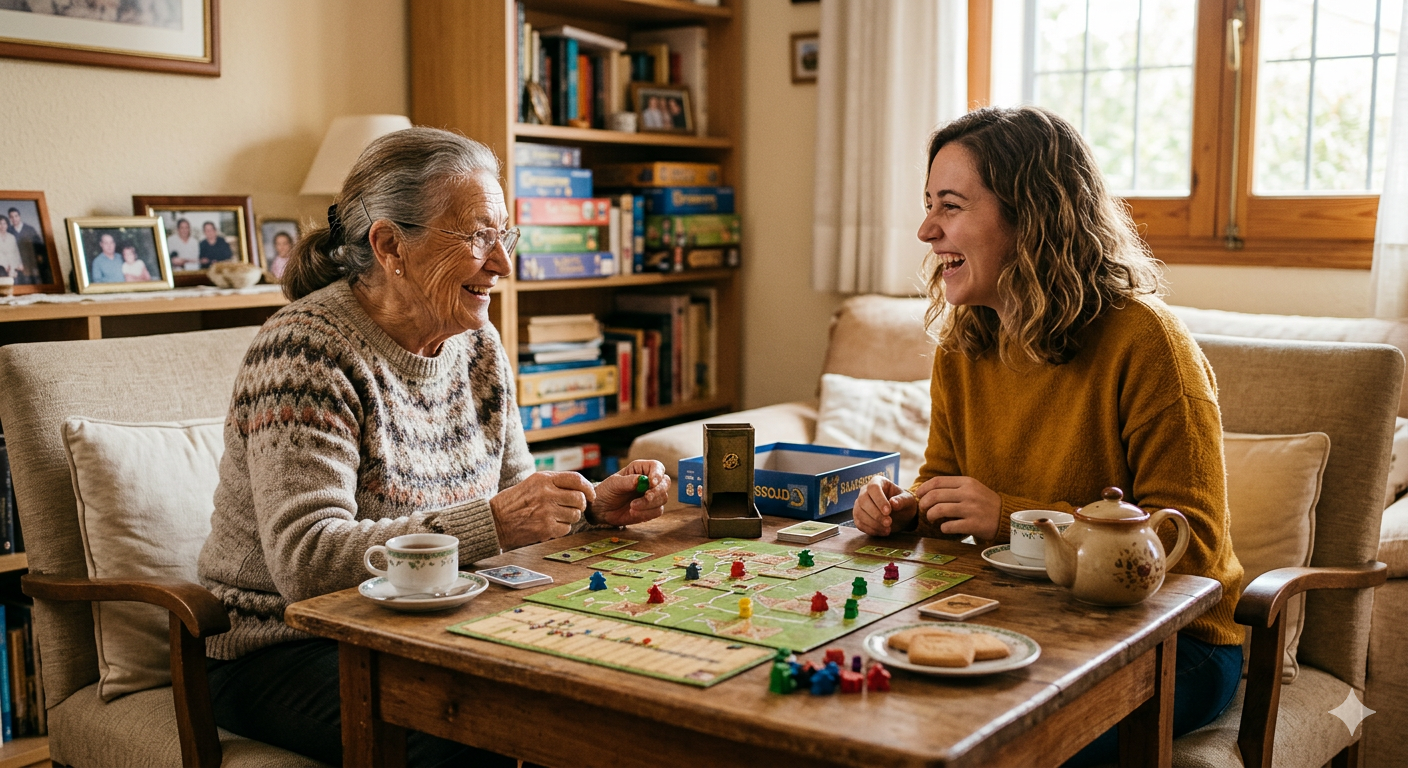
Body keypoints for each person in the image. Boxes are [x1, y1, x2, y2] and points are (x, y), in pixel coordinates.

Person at [196, 126, 670, 767]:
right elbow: (306, 561)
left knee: (611, 681)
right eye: (477, 237)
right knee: (483, 731)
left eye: (504, 236)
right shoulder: (305, 351)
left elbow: (517, 499)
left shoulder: (477, 346)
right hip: (280, 647)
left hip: (430, 624)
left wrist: (588, 508)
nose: (502, 264)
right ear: (390, 245)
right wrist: (497, 522)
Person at [851, 106, 1244, 766]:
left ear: (1031, 215)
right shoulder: (962, 346)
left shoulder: (1147, 341)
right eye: (928, 205)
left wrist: (1010, 517)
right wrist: (907, 510)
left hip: (1175, 644)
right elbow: (942, 486)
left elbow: (1194, 548)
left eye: (950, 206)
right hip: (1023, 619)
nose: (926, 230)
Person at [8, 207, 48, 285]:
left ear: (19, 216)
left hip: (30, 261)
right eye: (11, 217)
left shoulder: (29, 229)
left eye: (16, 216)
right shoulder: (9, 230)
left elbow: (39, 246)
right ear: (9, 218)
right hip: (16, 263)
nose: (14, 219)